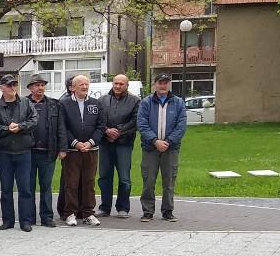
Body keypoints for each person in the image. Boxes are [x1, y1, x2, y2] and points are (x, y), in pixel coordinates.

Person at [0, 75, 38, 231]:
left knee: (25, 188)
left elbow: (34, 120)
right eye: (9, 85)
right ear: (1, 87)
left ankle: (26, 221)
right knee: (6, 188)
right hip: (4, 152)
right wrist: (6, 128)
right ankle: (8, 220)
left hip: (23, 151)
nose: (12, 87)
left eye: (14, 84)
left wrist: (20, 126)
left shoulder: (26, 102)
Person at [58, 75, 107, 226]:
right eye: (81, 85)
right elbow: (62, 126)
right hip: (72, 152)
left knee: (89, 182)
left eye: (86, 84)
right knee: (71, 183)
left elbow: (101, 125)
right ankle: (70, 213)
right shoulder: (64, 104)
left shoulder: (96, 103)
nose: (84, 87)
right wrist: (75, 143)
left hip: (91, 150)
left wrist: (90, 142)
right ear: (72, 87)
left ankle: (88, 213)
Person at [139, 74, 187, 222]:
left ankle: (168, 211)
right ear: (155, 84)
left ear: (169, 85)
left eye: (166, 83)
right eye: (160, 83)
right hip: (150, 148)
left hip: (170, 148)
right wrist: (155, 141)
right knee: (148, 180)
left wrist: (168, 141)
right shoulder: (146, 102)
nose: (163, 86)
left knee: (169, 181)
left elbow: (181, 125)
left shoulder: (178, 103)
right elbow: (141, 123)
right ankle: (148, 212)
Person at [25, 75, 66, 228]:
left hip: (48, 152)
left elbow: (60, 127)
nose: (40, 88)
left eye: (42, 85)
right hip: (27, 153)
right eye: (36, 85)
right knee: (28, 187)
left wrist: (62, 148)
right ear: (30, 88)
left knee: (46, 186)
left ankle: (47, 217)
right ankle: (29, 218)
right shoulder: (23, 103)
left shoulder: (54, 105)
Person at [97, 74, 140, 219]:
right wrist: (106, 130)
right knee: (104, 177)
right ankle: (105, 207)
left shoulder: (135, 101)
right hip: (105, 143)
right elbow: (97, 119)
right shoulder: (102, 100)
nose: (118, 86)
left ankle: (123, 207)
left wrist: (119, 131)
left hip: (124, 144)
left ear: (127, 86)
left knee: (124, 178)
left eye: (121, 84)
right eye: (116, 83)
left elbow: (135, 121)